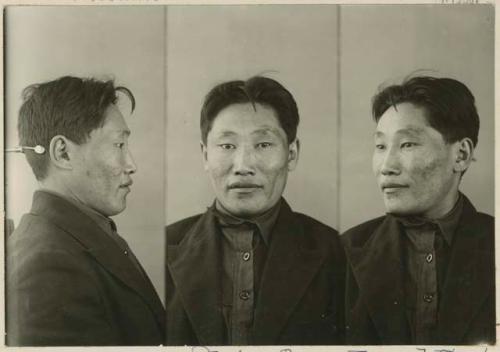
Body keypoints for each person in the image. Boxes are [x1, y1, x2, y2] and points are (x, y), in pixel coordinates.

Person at [166, 76, 345, 345]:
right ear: (205, 155)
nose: (243, 165)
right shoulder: (164, 248)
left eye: (263, 145)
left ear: (292, 153)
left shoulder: (336, 252)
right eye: (227, 146)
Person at [6, 76, 165, 346]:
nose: (131, 164)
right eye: (118, 145)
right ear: (63, 153)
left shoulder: (72, 236)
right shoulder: (48, 267)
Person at [342, 76, 495, 345]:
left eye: (407, 144)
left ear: (460, 155)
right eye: (380, 146)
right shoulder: (344, 251)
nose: (386, 166)